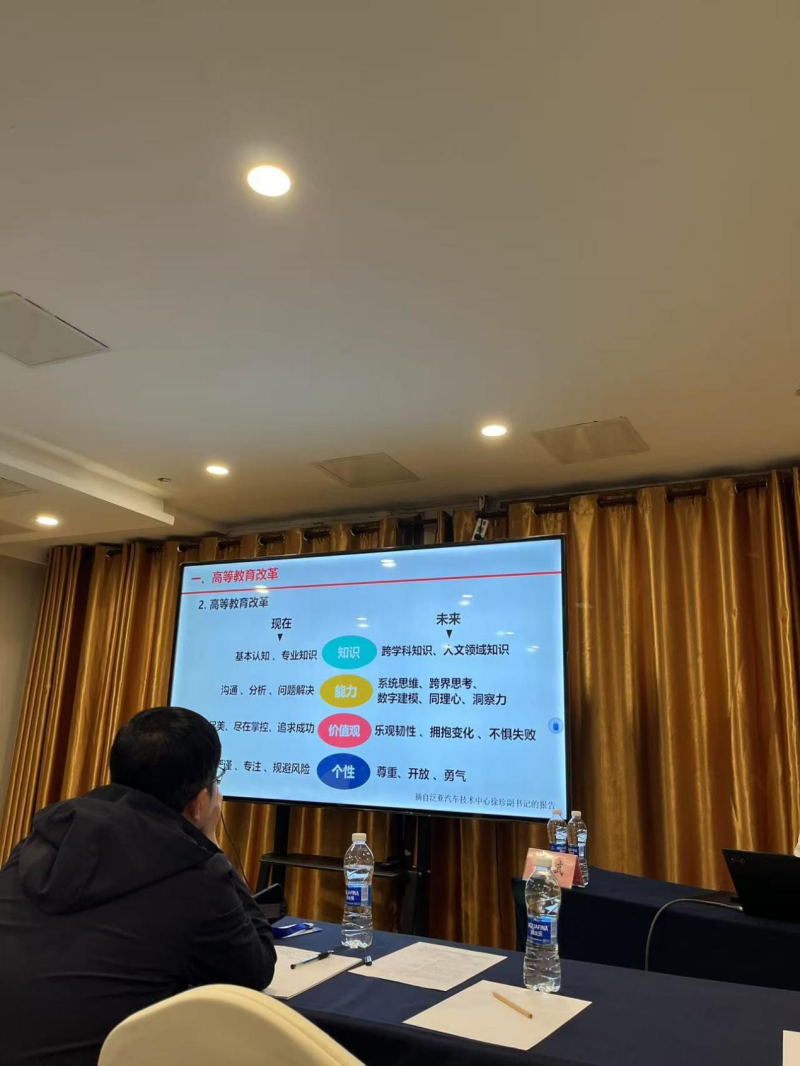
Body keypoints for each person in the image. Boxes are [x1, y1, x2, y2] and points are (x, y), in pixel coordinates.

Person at [0, 706, 276, 1065]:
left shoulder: (43, 838)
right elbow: (256, 970)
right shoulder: (195, 874)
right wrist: (209, 844)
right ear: (198, 803)